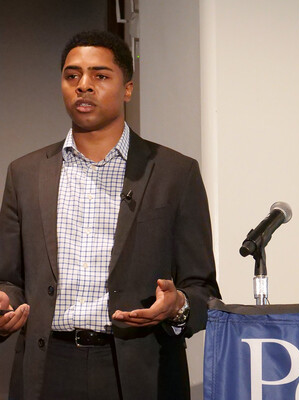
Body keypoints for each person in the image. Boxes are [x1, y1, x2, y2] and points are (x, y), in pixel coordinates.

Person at [0, 30, 220, 400]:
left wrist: (176, 305)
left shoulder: (174, 173)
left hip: (139, 371)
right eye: (73, 76)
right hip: (47, 368)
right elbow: (9, 280)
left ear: (127, 88)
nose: (84, 86)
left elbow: (202, 290)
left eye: (100, 76)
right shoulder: (24, 173)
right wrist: (4, 304)